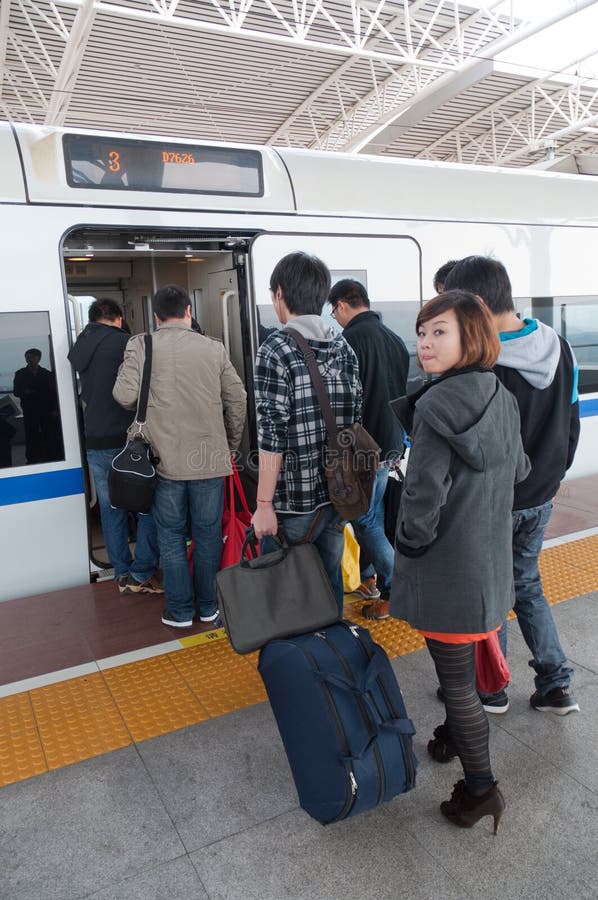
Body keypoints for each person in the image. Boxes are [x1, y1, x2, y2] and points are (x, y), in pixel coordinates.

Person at [390, 290, 529, 831]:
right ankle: (450, 736)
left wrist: (412, 544)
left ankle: (480, 790)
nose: (425, 343)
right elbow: (517, 469)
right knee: (462, 673)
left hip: (448, 570)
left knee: (457, 685)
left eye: (439, 332)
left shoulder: (435, 406)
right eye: (423, 332)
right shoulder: (501, 394)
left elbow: (423, 495)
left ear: (470, 336)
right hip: (489, 564)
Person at [444, 256, 580, 715]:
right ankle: (556, 683)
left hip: (493, 501)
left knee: (491, 592)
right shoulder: (560, 346)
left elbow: (467, 446)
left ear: (479, 303)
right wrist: (553, 476)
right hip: (541, 495)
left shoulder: (482, 361)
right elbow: (572, 422)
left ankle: (491, 689)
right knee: (526, 583)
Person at [113, 285, 247, 628]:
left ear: (155, 316)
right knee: (207, 535)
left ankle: (180, 611)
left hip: (163, 461)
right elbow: (238, 398)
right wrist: (229, 446)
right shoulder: (213, 348)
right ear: (189, 311)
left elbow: (124, 395)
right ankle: (208, 607)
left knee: (171, 535)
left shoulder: (143, 344)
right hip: (209, 460)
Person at [251, 252, 362, 614]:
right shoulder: (343, 346)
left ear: (280, 294)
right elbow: (354, 419)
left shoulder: (276, 348)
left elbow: (272, 433)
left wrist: (264, 505)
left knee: (284, 595)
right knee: (328, 583)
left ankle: (298, 661)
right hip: (338, 494)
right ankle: (331, 652)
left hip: (292, 503)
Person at [328, 279, 409, 619]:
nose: (334, 317)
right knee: (370, 516)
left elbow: (341, 402)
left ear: (344, 305)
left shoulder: (348, 342)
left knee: (365, 520)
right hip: (391, 443)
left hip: (363, 448)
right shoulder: (396, 340)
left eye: (334, 310)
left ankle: (396, 590)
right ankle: (369, 577)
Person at [68, 299, 162, 595]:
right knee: (148, 507)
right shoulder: (127, 343)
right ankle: (142, 572)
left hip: (94, 439)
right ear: (118, 318)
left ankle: (121, 572)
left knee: (112, 510)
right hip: (126, 440)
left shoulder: (80, 345)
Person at [13, 349, 60, 463]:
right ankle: (32, 458)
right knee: (31, 434)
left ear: (38, 358)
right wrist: (25, 392)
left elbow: (54, 393)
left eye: (32, 357)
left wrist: (55, 409)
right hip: (30, 410)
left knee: (48, 433)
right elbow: (16, 392)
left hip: (46, 410)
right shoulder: (20, 374)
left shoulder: (47, 374)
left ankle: (49, 456)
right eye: (28, 357)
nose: (29, 360)